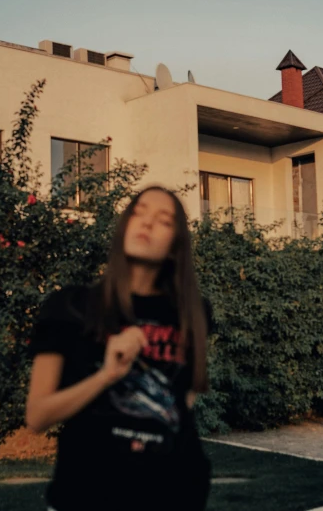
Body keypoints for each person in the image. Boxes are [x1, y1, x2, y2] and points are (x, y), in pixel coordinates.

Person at [26, 186, 214, 511]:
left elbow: (185, 403)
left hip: (173, 495)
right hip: (86, 496)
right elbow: (38, 415)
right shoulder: (70, 307)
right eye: (138, 213)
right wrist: (107, 375)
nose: (147, 223)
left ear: (175, 246)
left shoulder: (194, 313)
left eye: (163, 220)